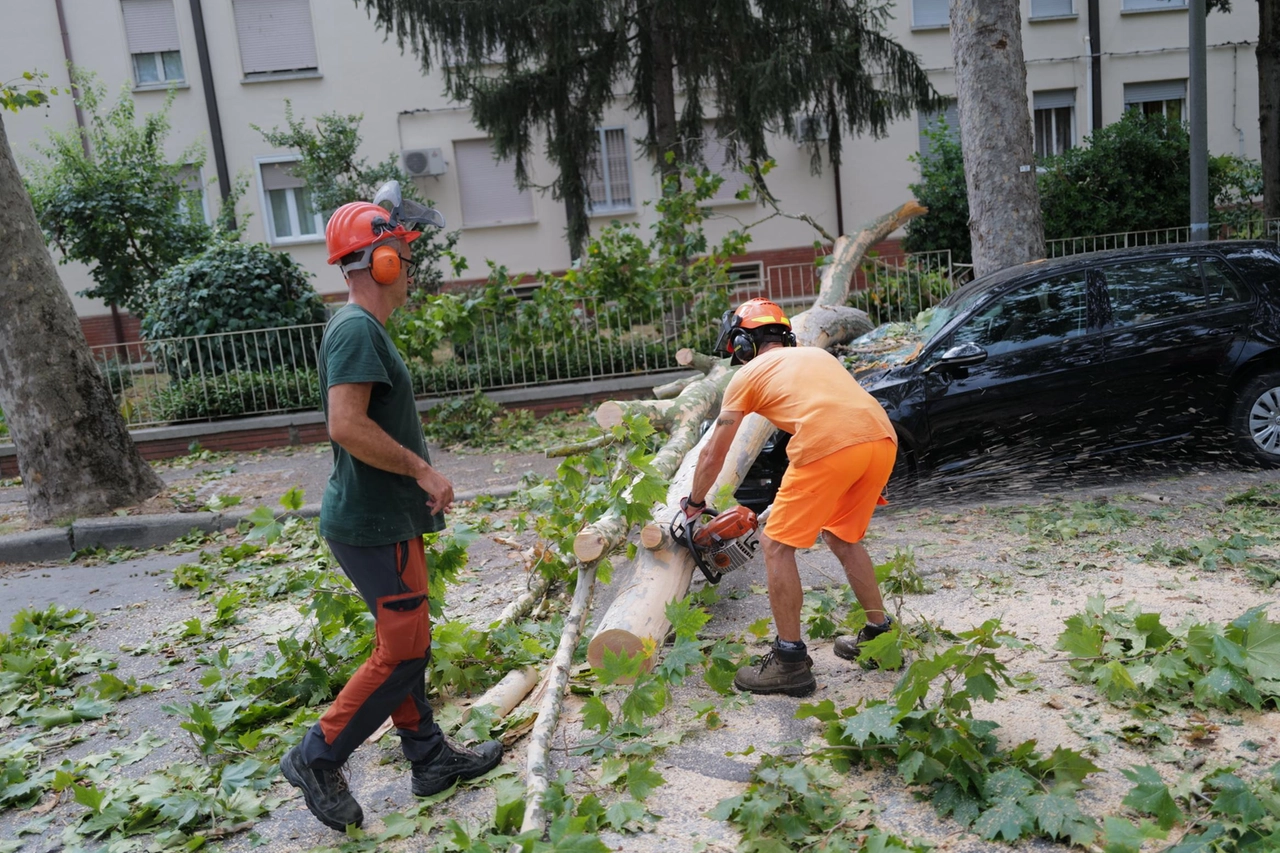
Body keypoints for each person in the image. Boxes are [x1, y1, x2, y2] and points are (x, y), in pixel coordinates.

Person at [279, 182, 502, 831]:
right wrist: (422, 468)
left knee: (407, 641)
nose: (408, 265)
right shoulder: (354, 329)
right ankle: (317, 755)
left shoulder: (361, 328)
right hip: (373, 524)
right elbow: (345, 424)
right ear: (380, 262)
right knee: (404, 649)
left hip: (386, 521)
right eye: (401, 252)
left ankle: (429, 757)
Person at [680, 298, 899, 697]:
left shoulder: (746, 376)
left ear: (744, 345)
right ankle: (880, 637)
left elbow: (715, 451)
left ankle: (790, 662)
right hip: (881, 437)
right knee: (843, 537)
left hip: (829, 442)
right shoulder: (818, 356)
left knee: (776, 546)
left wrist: (694, 503)